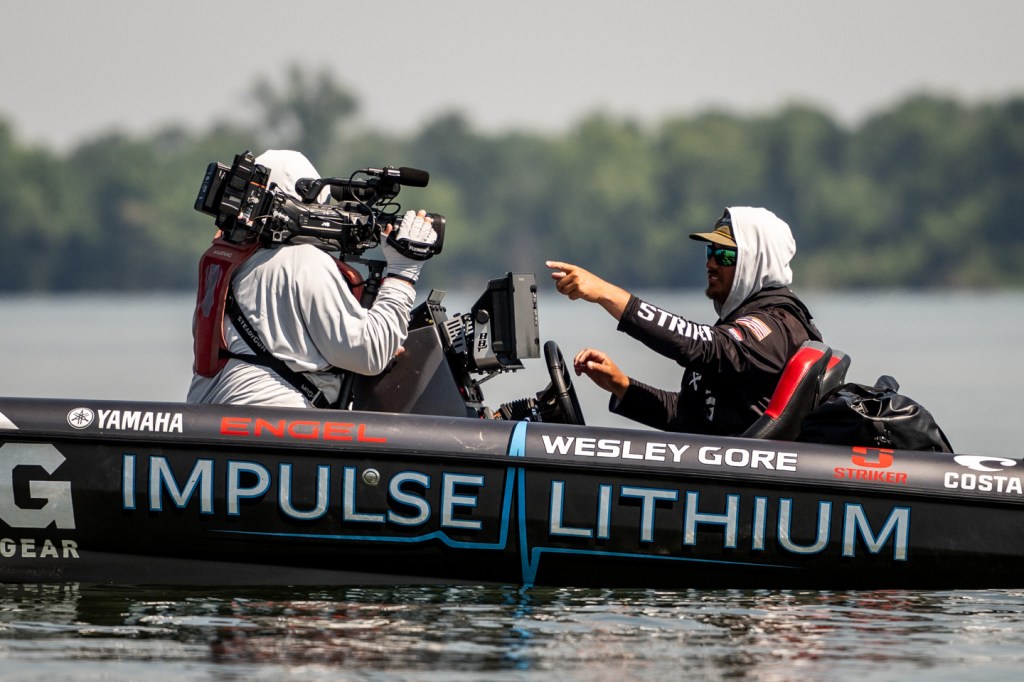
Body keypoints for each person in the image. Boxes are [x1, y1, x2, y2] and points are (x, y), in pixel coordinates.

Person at [187, 149, 437, 409]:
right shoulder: (303, 261)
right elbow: (370, 354)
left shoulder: (230, 260)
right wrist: (403, 272)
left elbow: (285, 346)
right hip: (275, 420)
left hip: (211, 417)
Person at [546, 206, 822, 436]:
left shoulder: (777, 327)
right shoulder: (741, 322)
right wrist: (621, 386)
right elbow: (688, 416)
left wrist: (606, 294)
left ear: (757, 261)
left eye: (724, 254)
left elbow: (700, 344)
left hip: (738, 479)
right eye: (710, 251)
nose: (711, 263)